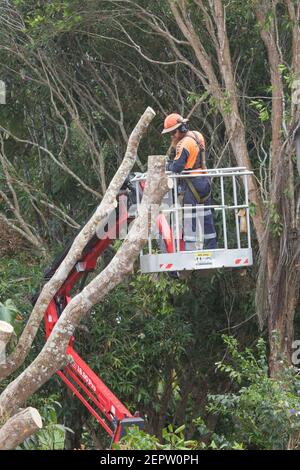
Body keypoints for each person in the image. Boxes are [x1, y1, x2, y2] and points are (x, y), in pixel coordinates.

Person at [162, 113, 217, 250]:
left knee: (189, 218)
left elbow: (177, 167)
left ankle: (190, 248)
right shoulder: (197, 136)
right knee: (206, 216)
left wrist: (167, 165)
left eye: (173, 132)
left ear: (180, 129)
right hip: (204, 181)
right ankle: (211, 246)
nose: (172, 136)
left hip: (191, 183)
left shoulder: (184, 144)